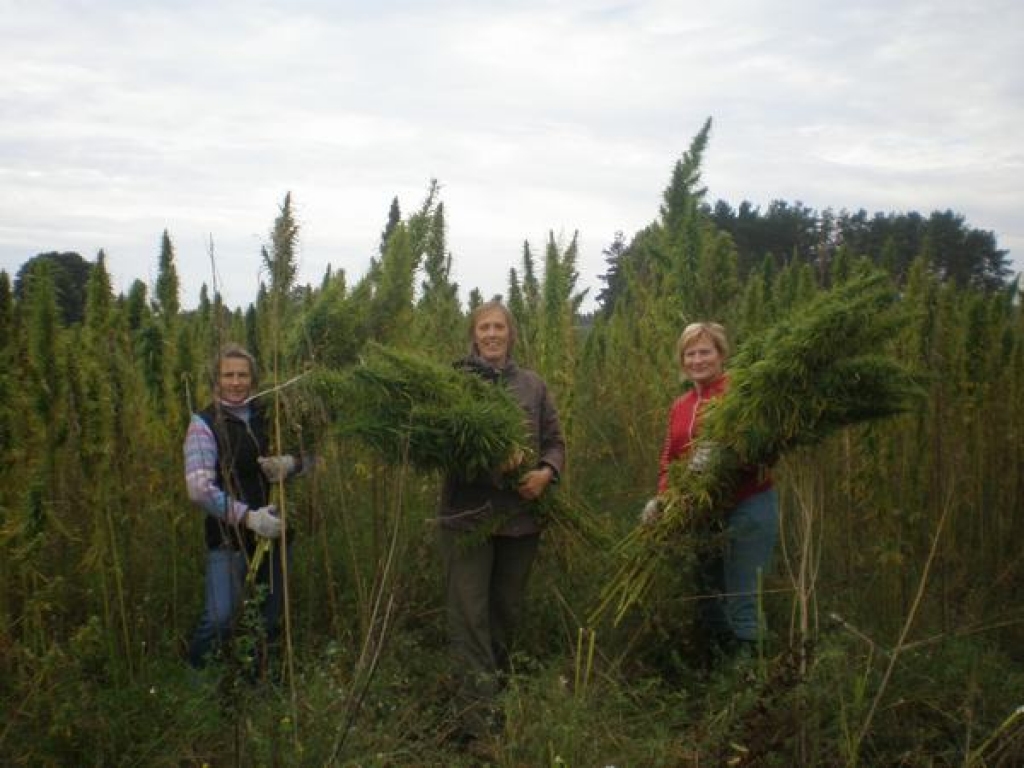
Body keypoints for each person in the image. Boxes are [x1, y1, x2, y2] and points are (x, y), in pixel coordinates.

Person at [440, 300, 566, 745]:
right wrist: (492, 459)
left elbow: (554, 441)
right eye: (484, 327)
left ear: (511, 334)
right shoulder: (455, 383)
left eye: (499, 327)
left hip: (520, 521)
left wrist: (544, 473)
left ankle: (495, 705)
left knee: (504, 615)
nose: (492, 334)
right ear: (474, 335)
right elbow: (442, 448)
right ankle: (478, 728)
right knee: (469, 618)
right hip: (468, 518)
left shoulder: (532, 385)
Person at [645, 322, 778, 664]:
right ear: (682, 360)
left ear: (721, 355)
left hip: (747, 505)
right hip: (702, 513)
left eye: (705, 352)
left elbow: (764, 447)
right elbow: (669, 459)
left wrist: (727, 455)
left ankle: (754, 685)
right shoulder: (681, 405)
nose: (697, 359)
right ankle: (719, 674)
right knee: (708, 597)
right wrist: (662, 498)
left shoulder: (739, 394)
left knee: (742, 598)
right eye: (690, 353)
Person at [184, 343, 303, 676]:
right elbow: (198, 488)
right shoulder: (203, 424)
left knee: (269, 618)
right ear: (216, 379)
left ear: (253, 378)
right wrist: (249, 518)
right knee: (220, 617)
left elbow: (313, 456)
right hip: (229, 538)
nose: (235, 382)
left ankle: (257, 682)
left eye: (242, 375)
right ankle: (197, 686)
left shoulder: (273, 414)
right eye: (228, 375)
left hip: (277, 534)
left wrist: (291, 464)